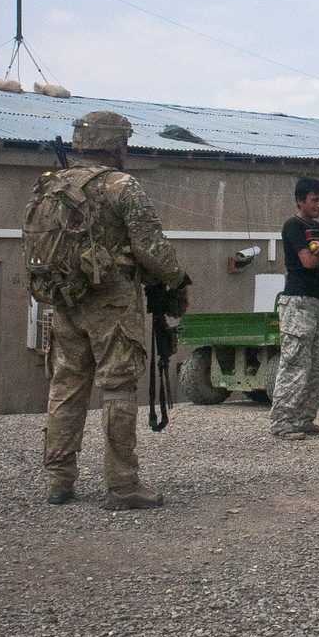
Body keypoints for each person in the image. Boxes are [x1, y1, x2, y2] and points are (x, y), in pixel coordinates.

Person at [30, 110, 189, 510]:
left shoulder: (50, 185)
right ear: (116, 146)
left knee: (66, 387)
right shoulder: (122, 185)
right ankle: (122, 484)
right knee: (118, 386)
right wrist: (177, 281)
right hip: (112, 302)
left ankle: (58, 480)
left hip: (66, 299)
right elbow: (151, 248)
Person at [270, 177, 319, 439]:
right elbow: (308, 262)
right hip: (297, 302)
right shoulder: (292, 226)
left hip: (316, 301)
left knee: (317, 366)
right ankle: (282, 422)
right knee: (295, 364)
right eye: (314, 200)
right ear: (300, 200)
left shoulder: (317, 227)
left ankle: (304, 419)